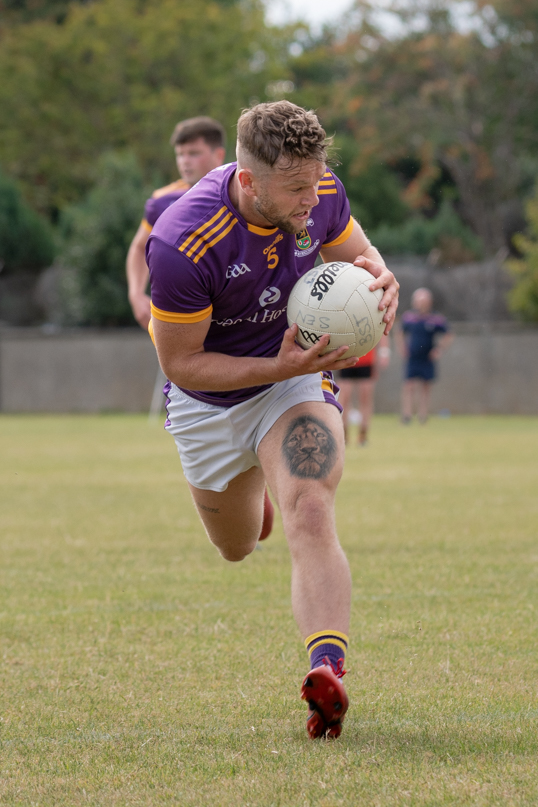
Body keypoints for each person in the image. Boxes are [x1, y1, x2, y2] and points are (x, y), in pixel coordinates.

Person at [146, 101, 399, 739]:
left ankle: (328, 669)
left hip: (294, 385)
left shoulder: (319, 193)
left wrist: (382, 281)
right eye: (294, 190)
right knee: (235, 547)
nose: (310, 202)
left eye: (316, 183)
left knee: (310, 507)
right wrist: (276, 367)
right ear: (249, 181)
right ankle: (251, 494)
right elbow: (182, 365)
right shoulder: (181, 241)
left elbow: (363, 256)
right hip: (209, 402)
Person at [126, 116, 226, 330]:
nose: (184, 161)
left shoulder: (241, 193)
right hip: (180, 320)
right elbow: (139, 246)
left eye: (193, 153)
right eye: (180, 154)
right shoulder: (162, 201)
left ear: (218, 155)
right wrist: (135, 293)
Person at [397, 287, 453, 423]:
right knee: (409, 386)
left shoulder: (435, 319)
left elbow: (449, 334)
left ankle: (423, 415)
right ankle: (407, 415)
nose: (420, 303)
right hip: (413, 357)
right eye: (417, 300)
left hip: (427, 357)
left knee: (426, 387)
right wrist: (402, 348)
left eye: (423, 300)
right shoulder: (409, 317)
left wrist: (439, 349)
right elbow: (399, 333)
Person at [338, 335, 391, 446]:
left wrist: (384, 353)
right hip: (346, 357)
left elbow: (381, 331)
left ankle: (363, 435)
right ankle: (344, 434)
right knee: (344, 397)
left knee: (365, 397)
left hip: (367, 359)